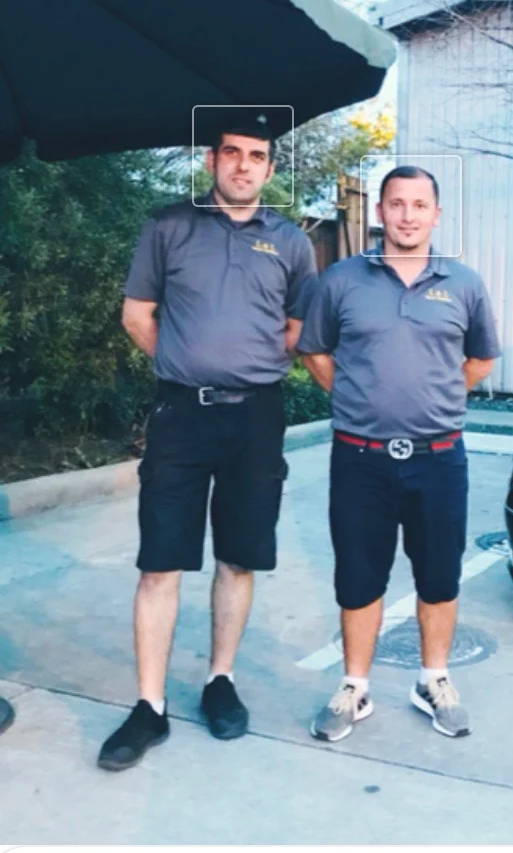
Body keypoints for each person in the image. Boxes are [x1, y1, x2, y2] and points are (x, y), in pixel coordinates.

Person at [98, 116, 318, 771]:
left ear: (270, 169)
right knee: (159, 563)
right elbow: (137, 315)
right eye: (232, 153)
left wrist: (242, 366)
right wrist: (184, 364)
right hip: (181, 417)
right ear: (211, 160)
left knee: (239, 558)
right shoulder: (168, 227)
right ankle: (150, 706)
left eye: (257, 156)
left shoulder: (291, 242)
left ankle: (220, 681)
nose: (244, 165)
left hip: (256, 419)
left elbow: (297, 330)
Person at [297, 165, 500, 742]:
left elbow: (482, 358)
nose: (407, 215)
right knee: (359, 575)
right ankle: (354, 687)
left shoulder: (463, 284)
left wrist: (437, 399)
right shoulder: (341, 280)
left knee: (439, 575)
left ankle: (433, 680)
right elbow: (315, 351)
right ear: (380, 211)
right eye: (396, 203)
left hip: (439, 458)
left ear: (436, 214)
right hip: (360, 458)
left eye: (419, 205)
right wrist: (357, 399)